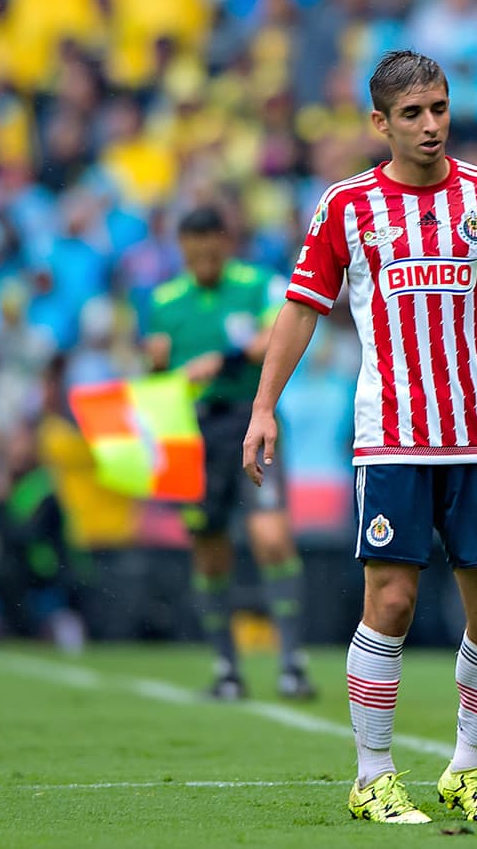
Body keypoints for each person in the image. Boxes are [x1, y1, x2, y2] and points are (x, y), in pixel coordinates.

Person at [242, 51, 477, 825]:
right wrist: (264, 406)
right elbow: (302, 305)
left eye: (439, 108)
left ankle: (467, 768)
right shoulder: (346, 205)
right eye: (412, 113)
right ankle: (372, 773)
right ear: (380, 123)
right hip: (393, 436)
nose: (431, 125)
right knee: (394, 597)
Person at [145, 205, 315, 702]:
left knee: (272, 536)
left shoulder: (257, 283)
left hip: (249, 418)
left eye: (211, 250)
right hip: (192, 431)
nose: (204, 260)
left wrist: (221, 361)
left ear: (225, 244)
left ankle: (292, 664)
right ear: (182, 249)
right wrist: (153, 364)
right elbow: (154, 366)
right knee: (209, 547)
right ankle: (226, 668)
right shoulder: (164, 301)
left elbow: (273, 338)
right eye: (194, 252)